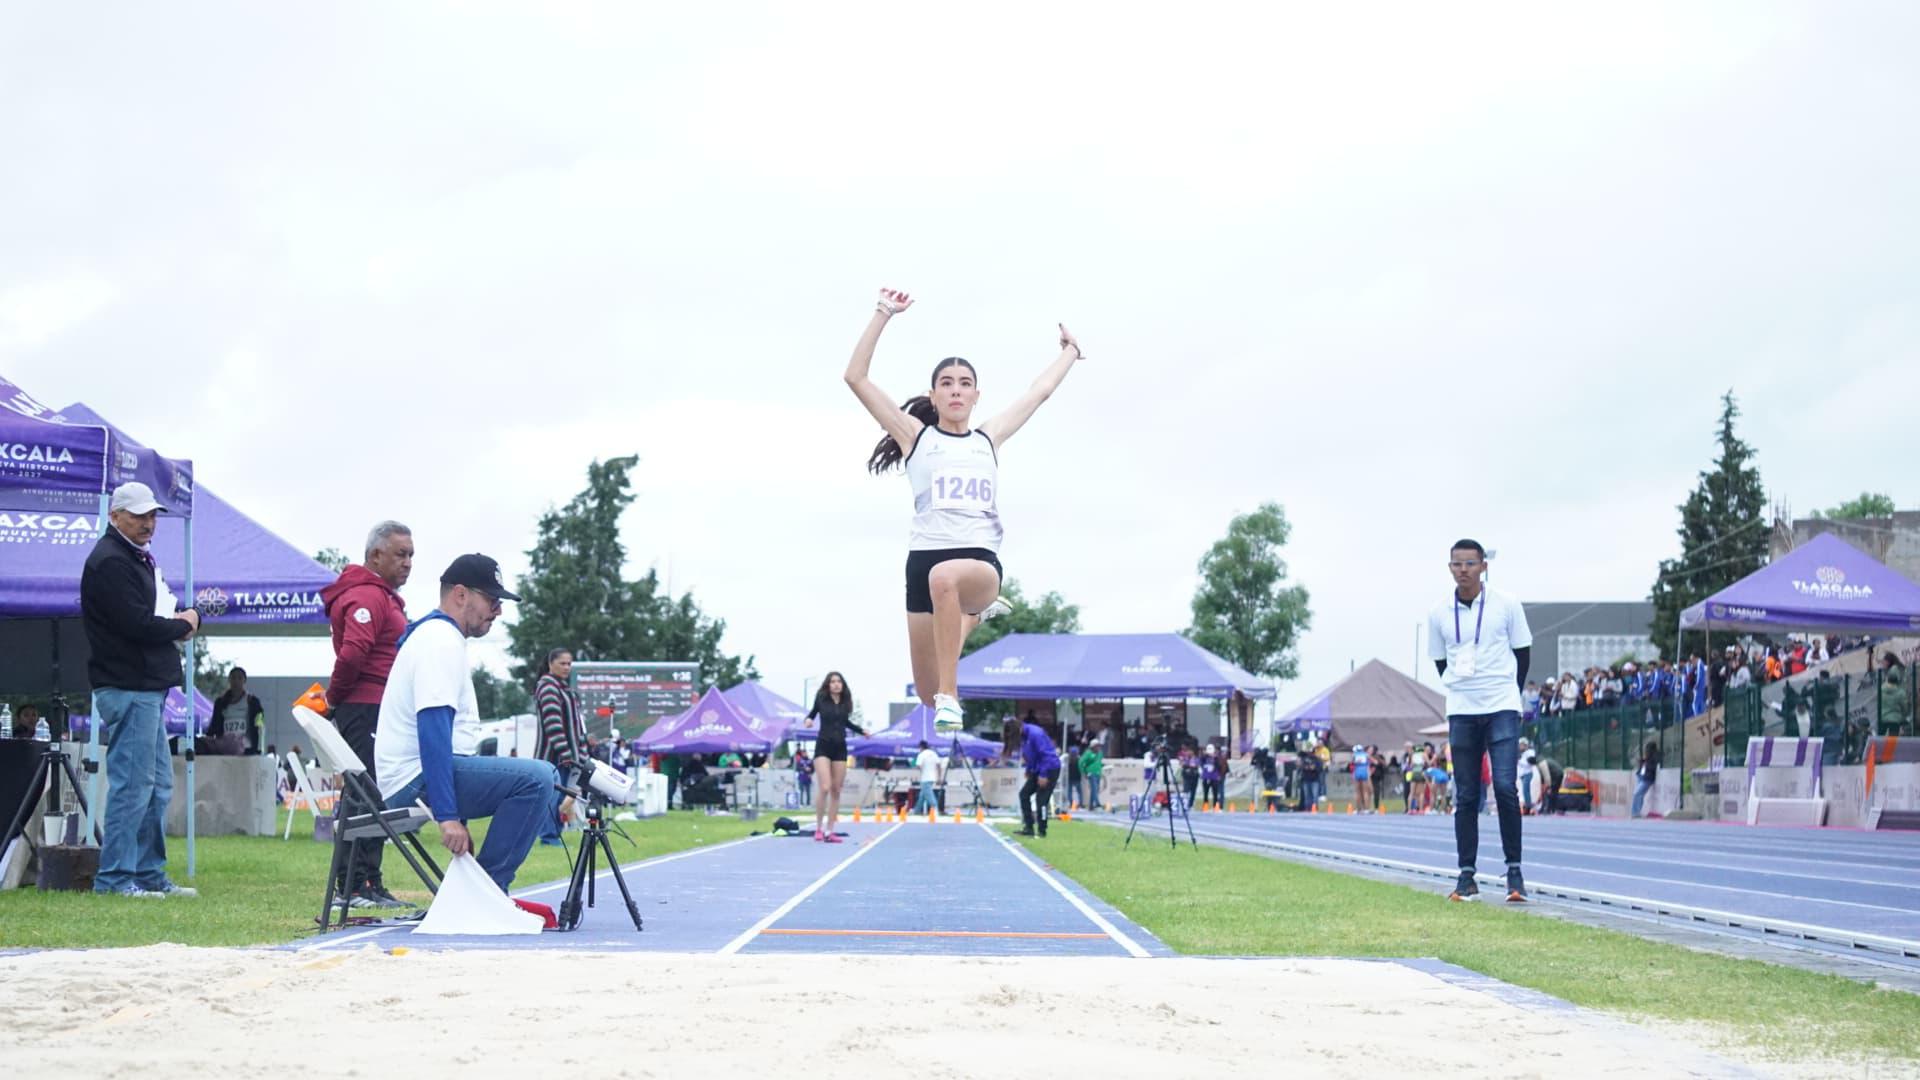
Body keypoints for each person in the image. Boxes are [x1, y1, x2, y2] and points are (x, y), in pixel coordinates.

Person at [845, 287, 1084, 732]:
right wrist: (883, 313)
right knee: (925, 691)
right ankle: (971, 621)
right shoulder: (916, 437)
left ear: (976, 395)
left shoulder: (988, 438)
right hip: (922, 565)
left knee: (946, 582)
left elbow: (1040, 391)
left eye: (965, 384)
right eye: (947, 384)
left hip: (978, 562)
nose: (956, 390)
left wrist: (1071, 351)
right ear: (933, 396)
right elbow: (855, 377)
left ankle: (953, 695)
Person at [376, 554, 556, 892]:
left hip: (414, 776)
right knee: (539, 778)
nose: (498, 610)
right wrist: (447, 816)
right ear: (461, 594)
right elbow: (433, 732)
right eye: (492, 599)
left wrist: (457, 815)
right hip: (414, 780)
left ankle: (479, 893)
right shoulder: (440, 642)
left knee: (542, 777)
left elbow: (451, 742)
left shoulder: (438, 637)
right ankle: (484, 894)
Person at [80, 482, 202, 899]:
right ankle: (114, 880)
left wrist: (180, 622)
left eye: (152, 516)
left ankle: (149, 875)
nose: (149, 523)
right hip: (129, 684)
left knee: (156, 786)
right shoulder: (111, 561)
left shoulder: (131, 557)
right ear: (115, 516)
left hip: (145, 686)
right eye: (139, 515)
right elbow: (137, 625)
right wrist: (184, 625)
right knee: (133, 786)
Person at [1428, 539, 1532, 903]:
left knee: (1505, 786)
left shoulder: (1507, 604)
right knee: (1467, 794)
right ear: (1450, 568)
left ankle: (1515, 873)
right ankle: (1466, 875)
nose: (1463, 570)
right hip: (1462, 707)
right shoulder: (1438, 612)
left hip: (1501, 704)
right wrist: (1461, 686)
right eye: (1457, 564)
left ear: (1483, 566)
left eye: (1470, 563)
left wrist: (1509, 693)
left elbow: (1523, 653)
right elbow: (1440, 661)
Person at [321, 519, 414, 909]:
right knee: (368, 794)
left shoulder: (379, 595)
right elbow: (354, 654)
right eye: (400, 554)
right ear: (375, 555)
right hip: (366, 707)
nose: (408, 563)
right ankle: (355, 885)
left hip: (377, 706)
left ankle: (366, 881)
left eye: (411, 555)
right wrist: (334, 700)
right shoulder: (366, 597)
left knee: (374, 793)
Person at [533, 648, 586, 846]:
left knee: (563, 797)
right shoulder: (547, 688)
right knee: (552, 797)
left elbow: (576, 725)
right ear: (550, 664)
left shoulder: (565, 689)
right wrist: (566, 753)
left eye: (569, 663)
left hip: (568, 755)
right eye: (562, 663)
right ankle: (548, 837)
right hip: (552, 756)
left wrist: (581, 750)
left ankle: (554, 834)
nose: (566, 667)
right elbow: (553, 725)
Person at [806, 671, 865, 842]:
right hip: (823, 746)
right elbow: (811, 714)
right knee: (825, 787)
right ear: (828, 684)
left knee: (836, 790)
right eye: (832, 681)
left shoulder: (846, 703)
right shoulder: (821, 699)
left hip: (840, 747)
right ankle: (818, 828)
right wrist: (808, 721)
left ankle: (829, 830)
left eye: (839, 681)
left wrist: (862, 731)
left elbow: (845, 722)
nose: (836, 684)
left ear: (842, 685)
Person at [1007, 716, 1061, 837]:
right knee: (1024, 794)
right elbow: (1031, 755)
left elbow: (1045, 755)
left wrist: (1043, 775)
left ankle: (1042, 831)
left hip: (1050, 768)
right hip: (1037, 768)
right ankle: (1028, 827)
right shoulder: (1023, 737)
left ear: (1019, 728)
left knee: (1041, 800)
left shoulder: (1035, 734)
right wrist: (1029, 769)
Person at [206, 666, 264, 756]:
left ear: (244, 681)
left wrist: (257, 748)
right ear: (229, 680)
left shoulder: (253, 702)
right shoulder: (220, 702)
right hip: (225, 748)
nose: (236, 681)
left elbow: (259, 724)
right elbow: (214, 724)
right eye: (233, 678)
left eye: (240, 678)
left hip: (246, 749)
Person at [1632, 739, 1662, 819]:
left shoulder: (1655, 756)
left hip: (1647, 778)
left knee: (1637, 793)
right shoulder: (1648, 757)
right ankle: (1637, 812)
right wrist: (1642, 761)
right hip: (1641, 776)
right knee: (1639, 795)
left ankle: (1635, 812)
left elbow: (1653, 767)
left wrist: (1646, 762)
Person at [912, 740, 942, 815]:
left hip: (925, 778)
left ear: (921, 747)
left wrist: (921, 770)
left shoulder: (921, 755)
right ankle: (916, 811)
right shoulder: (933, 753)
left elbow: (919, 765)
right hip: (933, 777)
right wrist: (939, 777)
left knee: (929, 795)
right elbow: (939, 765)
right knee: (922, 795)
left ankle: (935, 809)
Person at [1080, 739, 1105, 811]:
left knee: (1095, 789)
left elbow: (1099, 762)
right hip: (1091, 773)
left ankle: (1091, 805)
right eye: (1096, 746)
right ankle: (1097, 804)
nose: (1098, 747)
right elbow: (1081, 762)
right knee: (1094, 788)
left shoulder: (1100, 753)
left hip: (1098, 773)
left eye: (1099, 746)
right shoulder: (1088, 753)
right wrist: (1083, 772)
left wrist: (1102, 766)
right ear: (1092, 746)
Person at [1351, 745, 1373, 814]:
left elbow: (1352, 763)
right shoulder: (1366, 755)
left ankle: (1357, 809)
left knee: (1357, 792)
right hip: (1364, 771)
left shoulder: (1354, 755)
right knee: (1365, 791)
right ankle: (1366, 809)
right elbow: (1372, 761)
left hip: (1357, 771)